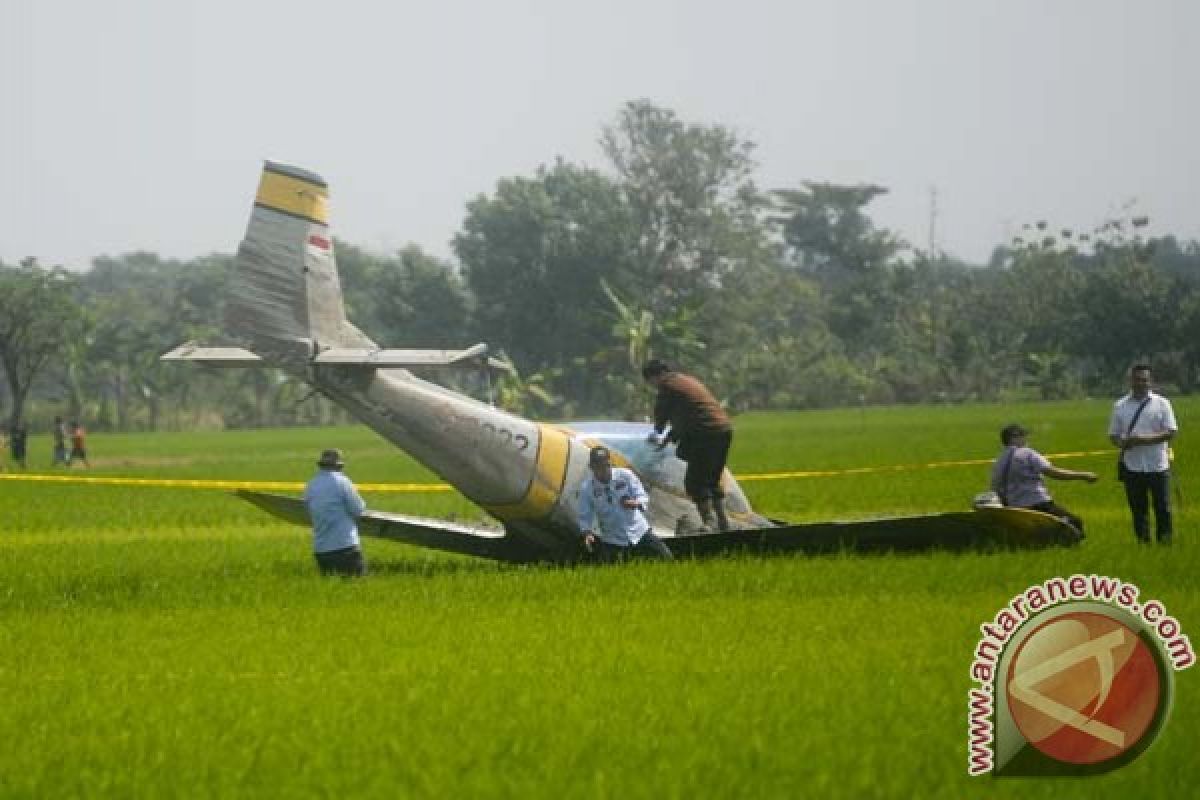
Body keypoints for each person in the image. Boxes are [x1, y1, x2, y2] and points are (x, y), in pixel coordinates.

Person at [642, 359, 734, 531]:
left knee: (694, 482)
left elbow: (661, 415)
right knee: (712, 480)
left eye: (651, 382)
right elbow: (688, 415)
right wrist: (669, 438)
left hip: (705, 433)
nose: (653, 386)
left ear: (656, 376)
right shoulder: (686, 381)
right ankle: (723, 523)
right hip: (722, 429)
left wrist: (656, 432)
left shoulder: (667, 387)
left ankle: (709, 523)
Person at [1109, 364, 1178, 544]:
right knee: (1139, 510)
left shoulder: (1162, 403)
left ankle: (1165, 543)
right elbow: (1113, 435)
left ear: (1151, 382)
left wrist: (1143, 439)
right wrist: (1121, 442)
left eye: (1144, 380)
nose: (1140, 383)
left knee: (1163, 508)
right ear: (1130, 381)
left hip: (1158, 465)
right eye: (1137, 379)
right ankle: (1143, 543)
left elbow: (1170, 432)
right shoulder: (1120, 406)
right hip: (1132, 466)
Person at [990, 423, 1097, 535]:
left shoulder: (999, 460)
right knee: (1075, 522)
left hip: (1015, 507)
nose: (1026, 439)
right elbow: (1052, 472)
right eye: (1023, 436)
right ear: (1014, 437)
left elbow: (996, 486)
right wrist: (1083, 475)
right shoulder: (1028, 453)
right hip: (1038, 503)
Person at [577, 446, 673, 563]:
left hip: (638, 531)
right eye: (599, 467)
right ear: (591, 467)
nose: (604, 470)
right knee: (611, 573)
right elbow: (584, 514)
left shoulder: (625, 475)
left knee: (667, 558)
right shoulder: (587, 488)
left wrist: (636, 503)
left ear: (610, 463)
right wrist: (587, 533)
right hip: (613, 538)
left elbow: (642, 495)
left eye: (606, 466)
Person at [303, 448, 368, 576]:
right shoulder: (342, 482)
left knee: (330, 589)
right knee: (356, 588)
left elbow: (308, 511)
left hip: (321, 549)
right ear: (339, 466)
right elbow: (358, 509)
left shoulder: (311, 485)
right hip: (344, 545)